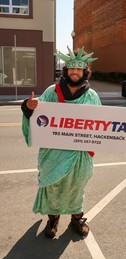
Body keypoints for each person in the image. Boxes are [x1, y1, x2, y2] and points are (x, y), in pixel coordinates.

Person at [21, 46, 102, 238]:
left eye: (79, 69)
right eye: (71, 68)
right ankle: (53, 219)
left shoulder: (92, 96)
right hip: (53, 152)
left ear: (84, 72)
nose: (75, 72)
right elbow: (36, 113)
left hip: (80, 154)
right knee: (53, 187)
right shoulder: (51, 92)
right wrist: (27, 106)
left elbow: (100, 125)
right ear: (65, 71)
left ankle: (76, 218)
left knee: (76, 187)